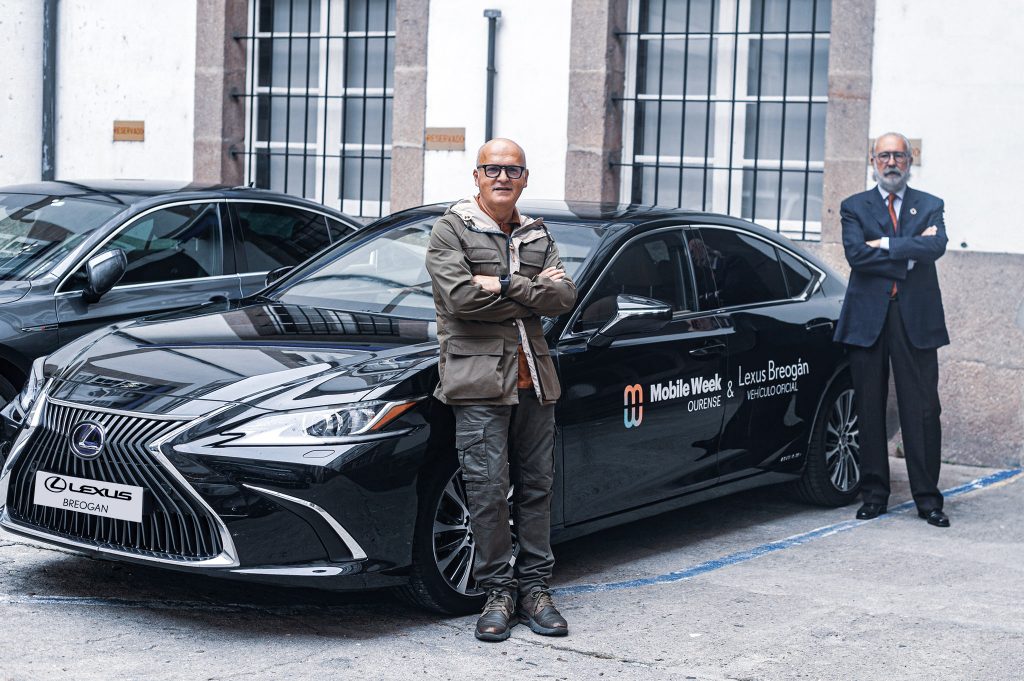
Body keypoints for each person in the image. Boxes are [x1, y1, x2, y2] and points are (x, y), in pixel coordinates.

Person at [425, 138, 577, 641]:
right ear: (477, 176)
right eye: (492, 169)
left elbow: (565, 297)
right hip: (479, 382)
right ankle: (497, 592)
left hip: (535, 379)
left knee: (537, 488)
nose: (502, 178)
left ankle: (536, 591)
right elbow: (461, 300)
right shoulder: (451, 229)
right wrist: (532, 293)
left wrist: (505, 285)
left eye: (512, 170)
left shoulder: (536, 232)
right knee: (487, 491)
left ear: (525, 178)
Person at [834, 132, 950, 527]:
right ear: (873, 161)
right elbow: (856, 255)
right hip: (868, 319)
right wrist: (910, 253)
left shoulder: (930, 205)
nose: (891, 163)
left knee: (923, 410)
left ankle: (928, 500)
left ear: (909, 160)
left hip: (915, 318)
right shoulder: (854, 206)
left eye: (898, 155)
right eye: (884, 155)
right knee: (869, 407)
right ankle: (874, 495)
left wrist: (883, 243)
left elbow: (936, 247)